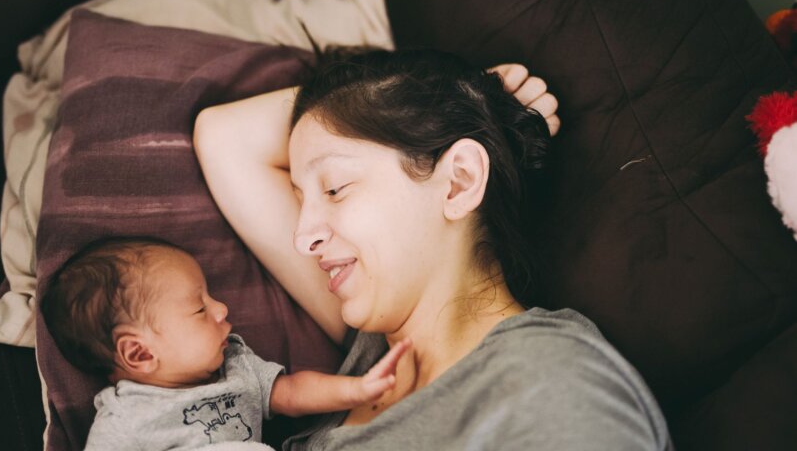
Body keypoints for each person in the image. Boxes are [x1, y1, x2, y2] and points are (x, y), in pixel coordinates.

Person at [194, 48, 673, 450]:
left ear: (459, 181)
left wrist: (462, 101)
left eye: (335, 188)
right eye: (300, 200)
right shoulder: (372, 354)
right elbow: (225, 137)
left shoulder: (549, 381)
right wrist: (472, 97)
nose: (303, 237)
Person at [40, 237, 412, 450]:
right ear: (140, 353)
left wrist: (356, 389)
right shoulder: (124, 422)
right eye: (199, 308)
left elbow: (292, 392)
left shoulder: (236, 364)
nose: (221, 309)